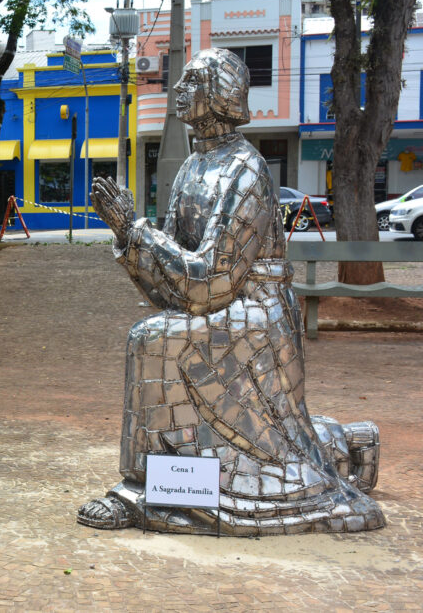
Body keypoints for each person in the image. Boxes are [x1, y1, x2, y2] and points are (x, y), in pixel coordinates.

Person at [77, 49, 384, 535]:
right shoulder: (191, 170)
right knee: (155, 331)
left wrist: (137, 230)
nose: (179, 89)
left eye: (193, 81)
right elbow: (174, 286)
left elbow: (209, 283)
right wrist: (128, 238)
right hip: (223, 302)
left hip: (257, 314)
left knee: (151, 339)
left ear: (221, 96)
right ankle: (158, 481)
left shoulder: (246, 169)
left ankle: (144, 488)